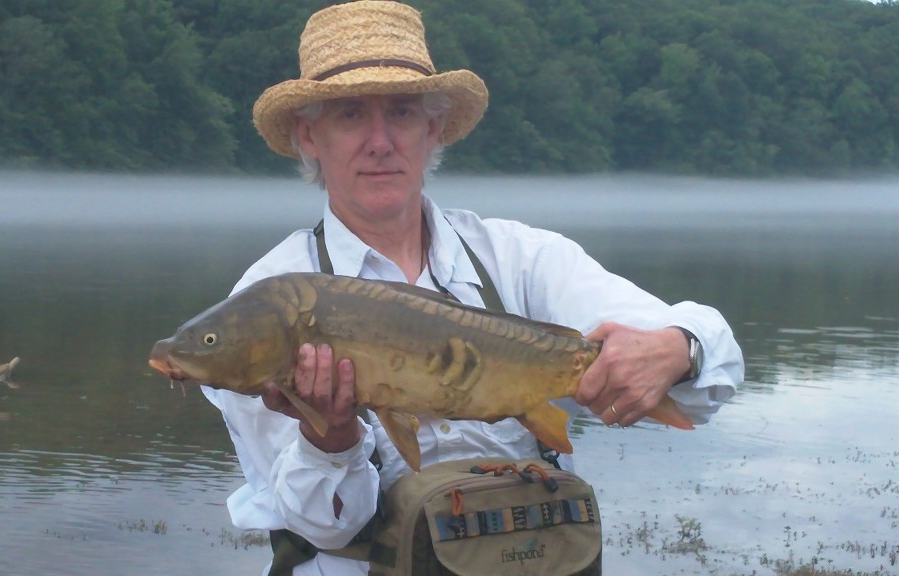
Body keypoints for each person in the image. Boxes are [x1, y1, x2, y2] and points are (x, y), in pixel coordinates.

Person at [202, 1, 744, 575]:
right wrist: (330, 438)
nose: (380, 142)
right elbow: (324, 527)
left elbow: (715, 376)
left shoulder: (521, 258)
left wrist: (678, 350)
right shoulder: (262, 311)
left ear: (433, 129)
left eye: (402, 113)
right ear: (309, 135)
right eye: (351, 115)